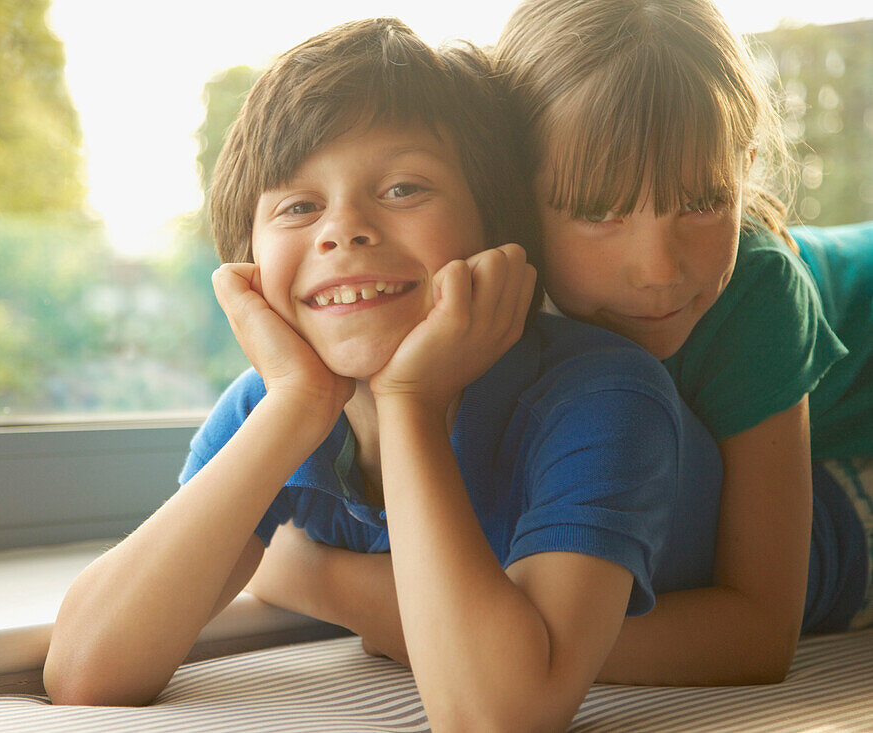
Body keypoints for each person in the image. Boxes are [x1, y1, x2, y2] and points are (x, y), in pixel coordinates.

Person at [43, 18, 730, 729]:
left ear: (496, 229)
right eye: (299, 206)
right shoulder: (280, 404)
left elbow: (498, 715)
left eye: (403, 189)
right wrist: (297, 404)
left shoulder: (604, 393)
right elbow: (86, 670)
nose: (343, 229)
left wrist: (409, 402)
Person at [488, 0, 873, 685]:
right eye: (600, 212)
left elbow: (759, 632)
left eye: (702, 202)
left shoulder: (756, 294)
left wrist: (436, 632)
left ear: (745, 167)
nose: (661, 270)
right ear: (516, 198)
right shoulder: (493, 284)